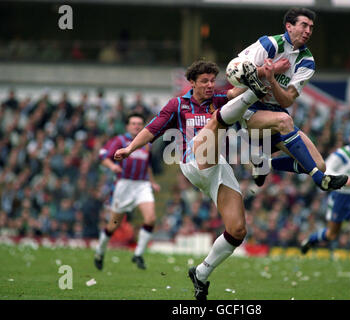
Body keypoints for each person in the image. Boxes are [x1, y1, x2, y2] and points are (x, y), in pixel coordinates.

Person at [114, 59, 267, 300]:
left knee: (237, 230)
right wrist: (130, 148)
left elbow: (234, 91)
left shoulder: (218, 98)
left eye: (212, 81)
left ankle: (201, 273)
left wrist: (265, 72)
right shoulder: (177, 105)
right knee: (218, 119)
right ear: (192, 82)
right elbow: (152, 129)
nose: (209, 85)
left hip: (217, 165)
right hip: (193, 161)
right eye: (204, 81)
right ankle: (253, 96)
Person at [236, 8, 347, 191]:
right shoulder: (269, 44)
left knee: (319, 164)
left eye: (311, 27)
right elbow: (238, 72)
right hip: (251, 109)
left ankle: (266, 164)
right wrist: (266, 71)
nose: (308, 31)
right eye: (304, 25)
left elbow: (287, 100)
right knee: (285, 120)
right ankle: (320, 180)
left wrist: (272, 80)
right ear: (289, 26)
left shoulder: (307, 62)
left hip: (276, 114)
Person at [301, 126, 350, 279]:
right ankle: (311, 240)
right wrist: (344, 180)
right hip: (340, 197)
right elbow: (326, 170)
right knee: (331, 234)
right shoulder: (342, 154)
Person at [94, 113, 161, 270]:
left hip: (142, 185)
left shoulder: (146, 143)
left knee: (150, 218)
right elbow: (103, 156)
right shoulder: (120, 140)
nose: (136, 126)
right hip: (124, 185)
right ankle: (100, 250)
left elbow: (147, 164)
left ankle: (138, 254)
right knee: (114, 225)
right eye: (133, 123)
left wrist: (152, 182)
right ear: (127, 126)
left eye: (139, 123)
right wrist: (112, 166)